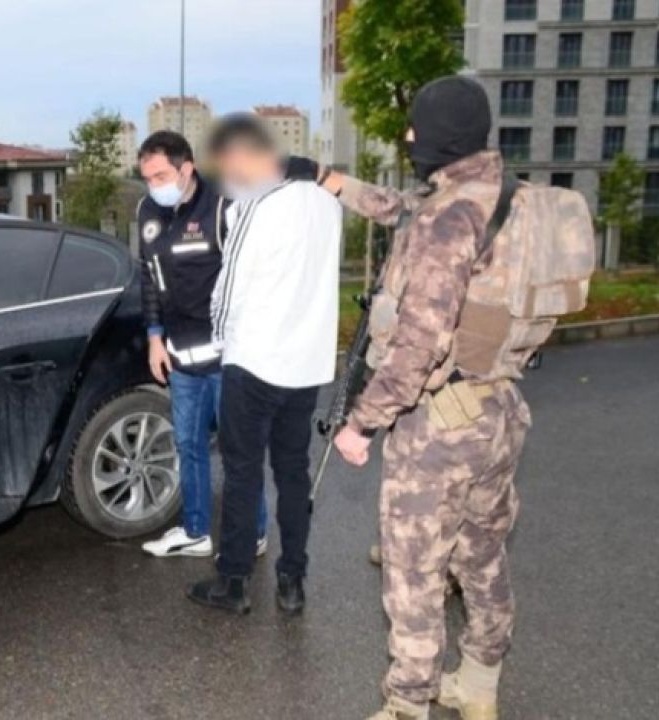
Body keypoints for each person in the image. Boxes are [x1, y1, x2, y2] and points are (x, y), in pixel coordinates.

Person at [323, 76, 528, 720]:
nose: (409, 136)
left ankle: (407, 705)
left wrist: (362, 423)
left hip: (440, 429)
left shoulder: (448, 219)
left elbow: (419, 344)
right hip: (499, 410)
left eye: (416, 126)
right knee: (483, 557)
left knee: (414, 573)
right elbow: (395, 207)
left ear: (441, 133)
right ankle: (479, 687)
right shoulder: (504, 195)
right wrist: (329, 180)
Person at [185, 115, 341, 615]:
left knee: (242, 472)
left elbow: (229, 285)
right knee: (293, 472)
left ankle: (233, 582)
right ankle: (292, 581)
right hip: (307, 362)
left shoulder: (257, 204)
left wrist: (220, 340)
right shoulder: (328, 204)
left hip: (254, 359)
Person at [135, 130, 269, 560]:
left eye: (160, 176)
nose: (154, 186)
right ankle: (195, 531)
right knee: (188, 446)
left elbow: (252, 282)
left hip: (228, 358)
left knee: (237, 451)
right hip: (180, 357)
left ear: (187, 169)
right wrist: (154, 338)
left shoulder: (224, 206)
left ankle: (252, 533)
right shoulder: (147, 212)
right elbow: (149, 277)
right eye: (147, 178)